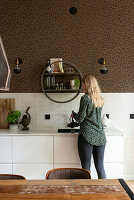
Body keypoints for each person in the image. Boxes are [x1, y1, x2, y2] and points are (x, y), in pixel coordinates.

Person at [71, 74, 106, 179]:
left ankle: (86, 192)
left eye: (82, 83)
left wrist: (74, 115)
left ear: (87, 84)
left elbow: (80, 119)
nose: (82, 86)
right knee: (100, 167)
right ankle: (105, 191)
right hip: (100, 135)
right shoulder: (100, 99)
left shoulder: (85, 98)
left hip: (87, 135)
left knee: (86, 167)